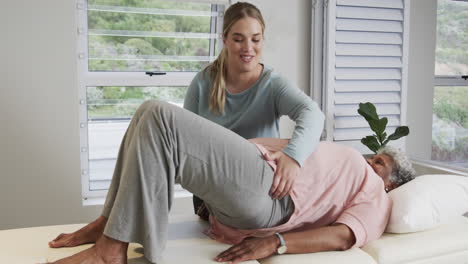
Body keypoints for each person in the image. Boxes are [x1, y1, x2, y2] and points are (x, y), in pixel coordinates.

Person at [47, 100, 415, 264]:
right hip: (252, 178)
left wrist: (276, 243)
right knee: (147, 113)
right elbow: (277, 147)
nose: (371, 159)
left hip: (268, 196)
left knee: (159, 115)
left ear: (389, 179)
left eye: (379, 161)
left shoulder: (377, 198)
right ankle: (109, 224)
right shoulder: (345, 163)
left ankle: (112, 251)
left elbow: (342, 236)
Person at [184, 2, 325, 215]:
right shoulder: (203, 82)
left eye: (255, 39)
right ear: (225, 40)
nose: (248, 48)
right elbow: (186, 141)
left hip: (257, 185)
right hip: (211, 189)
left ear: (262, 39)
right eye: (239, 39)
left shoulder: (273, 84)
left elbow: (313, 114)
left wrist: (293, 156)